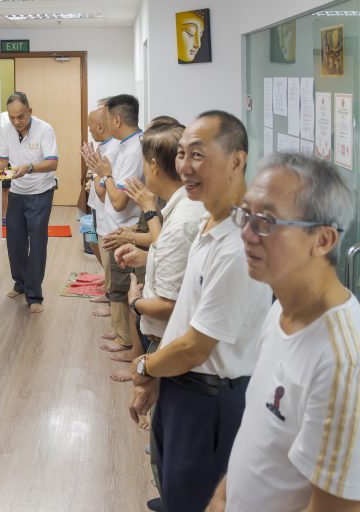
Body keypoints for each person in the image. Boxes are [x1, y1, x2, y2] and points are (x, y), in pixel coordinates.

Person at [126, 111, 272, 512]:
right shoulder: (210, 220)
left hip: (209, 400)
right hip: (181, 384)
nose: (185, 167)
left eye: (198, 156)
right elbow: (186, 316)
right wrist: (157, 376)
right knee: (174, 489)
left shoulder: (239, 245)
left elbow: (195, 346)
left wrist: (144, 368)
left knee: (195, 499)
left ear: (237, 161)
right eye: (182, 154)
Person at [208, 153, 360, 512]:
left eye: (267, 221)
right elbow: (262, 436)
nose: (245, 233)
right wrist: (224, 494)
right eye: (245, 214)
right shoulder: (281, 308)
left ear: (323, 240)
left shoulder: (342, 362)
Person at [110, 122, 206, 384]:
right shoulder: (186, 205)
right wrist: (146, 256)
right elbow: (179, 263)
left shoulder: (182, 220)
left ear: (153, 165)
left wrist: (134, 302)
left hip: (170, 344)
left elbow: (168, 305)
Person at [0, 91, 59, 313]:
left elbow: (52, 162)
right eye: (12, 117)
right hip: (17, 192)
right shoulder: (7, 131)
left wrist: (30, 167)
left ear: (30, 111)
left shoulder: (45, 129)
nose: (16, 121)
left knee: (37, 243)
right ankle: (20, 284)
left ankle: (34, 294)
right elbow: (2, 161)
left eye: (20, 116)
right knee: (15, 241)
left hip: (41, 192)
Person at [82, 95, 144, 348]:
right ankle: (122, 334)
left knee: (123, 285)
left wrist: (103, 174)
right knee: (116, 283)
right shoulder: (125, 145)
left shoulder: (133, 149)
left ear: (116, 120)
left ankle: (127, 339)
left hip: (125, 225)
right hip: (114, 223)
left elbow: (118, 201)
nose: (103, 127)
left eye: (106, 120)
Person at [81, 103, 120, 307]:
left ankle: (110, 297)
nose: (89, 130)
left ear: (101, 126)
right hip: (98, 209)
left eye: (90, 126)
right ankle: (108, 289)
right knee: (99, 249)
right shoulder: (104, 146)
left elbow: (103, 193)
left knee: (109, 258)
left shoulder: (112, 150)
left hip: (108, 212)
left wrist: (94, 172)